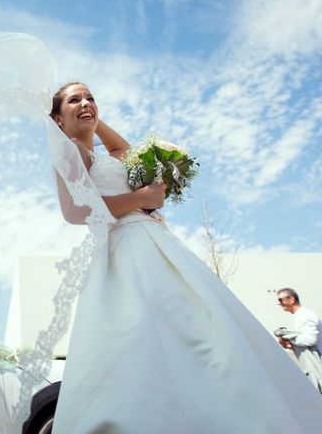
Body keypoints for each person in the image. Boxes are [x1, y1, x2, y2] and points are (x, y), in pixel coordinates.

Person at [46, 82, 322, 433]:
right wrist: (141, 198)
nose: (86, 102)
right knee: (143, 338)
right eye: (75, 100)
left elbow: (123, 149)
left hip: (154, 241)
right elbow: (75, 211)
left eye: (91, 97)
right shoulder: (71, 154)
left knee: (201, 329)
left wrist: (91, 118)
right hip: (126, 247)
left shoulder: (103, 156)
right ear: (57, 118)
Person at [274, 288, 322, 393]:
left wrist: (290, 339)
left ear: (291, 299)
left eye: (280, 300)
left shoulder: (305, 315)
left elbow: (311, 339)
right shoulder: (299, 316)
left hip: (316, 365)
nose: (279, 304)